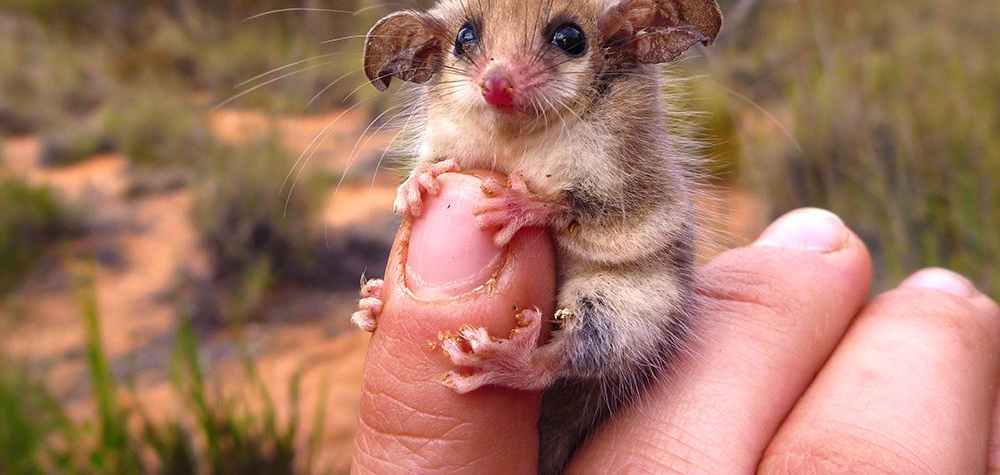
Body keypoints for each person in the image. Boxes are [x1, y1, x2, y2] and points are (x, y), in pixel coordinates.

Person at [352, 173, 1000, 473]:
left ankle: (538, 358)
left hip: (597, 340)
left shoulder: (620, 152)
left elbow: (640, 221)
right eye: (468, 41)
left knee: (618, 316)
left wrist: (552, 207)